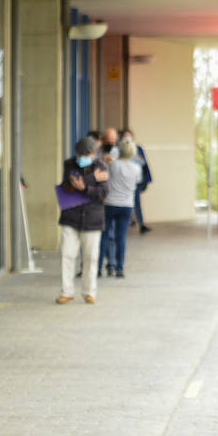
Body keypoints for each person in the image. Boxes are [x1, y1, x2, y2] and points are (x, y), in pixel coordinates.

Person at [56, 136, 109, 305]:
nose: (82, 157)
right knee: (67, 254)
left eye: (86, 154)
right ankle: (67, 291)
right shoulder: (69, 164)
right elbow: (68, 185)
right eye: (80, 153)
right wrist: (93, 179)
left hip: (92, 220)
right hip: (70, 218)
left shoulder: (102, 166)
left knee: (90, 257)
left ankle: (89, 291)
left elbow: (103, 193)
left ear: (94, 153)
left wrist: (85, 187)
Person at [99, 138, 143, 278]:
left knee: (104, 236)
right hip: (126, 206)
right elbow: (137, 182)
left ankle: (99, 268)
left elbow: (103, 175)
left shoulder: (113, 165)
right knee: (121, 237)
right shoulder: (136, 168)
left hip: (110, 204)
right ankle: (119, 268)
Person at [123, 129, 153, 234]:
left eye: (129, 136)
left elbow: (143, 163)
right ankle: (128, 222)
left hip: (137, 181)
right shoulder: (120, 150)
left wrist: (146, 180)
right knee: (126, 203)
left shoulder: (138, 148)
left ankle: (141, 224)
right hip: (124, 181)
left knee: (137, 202)